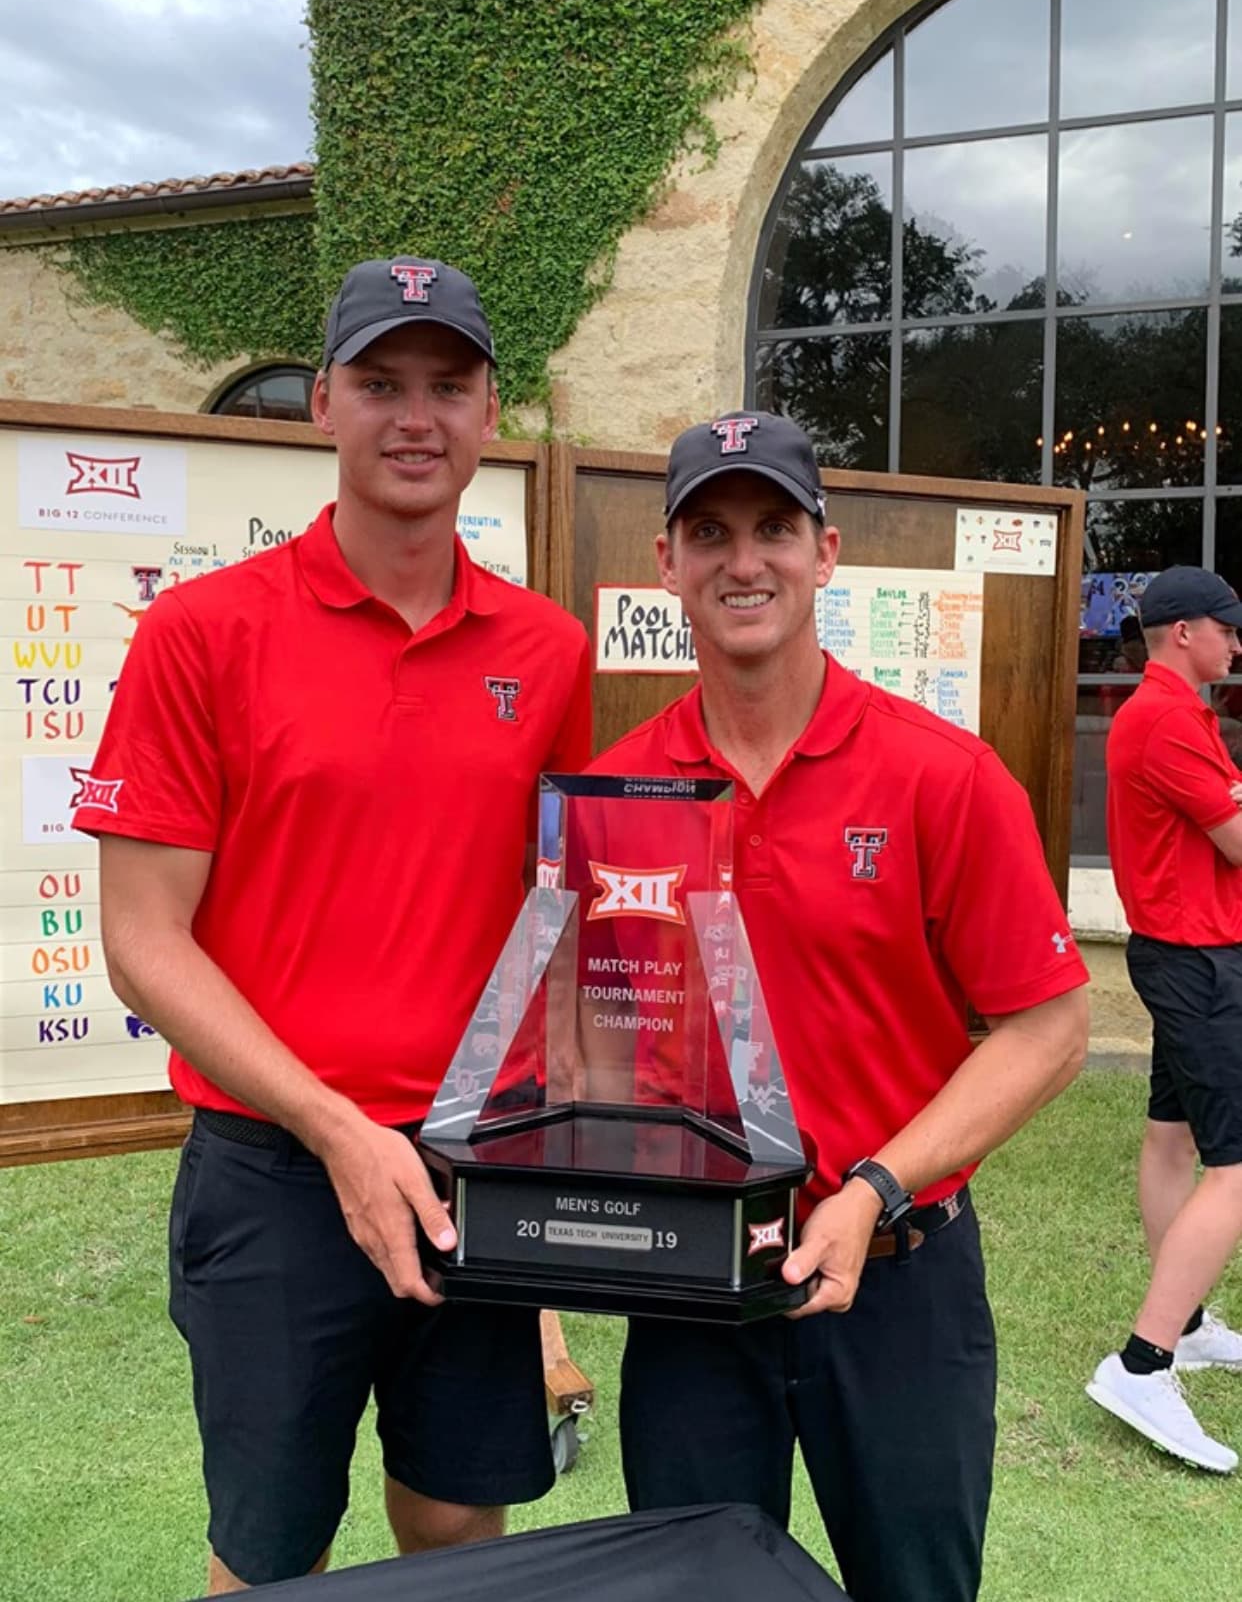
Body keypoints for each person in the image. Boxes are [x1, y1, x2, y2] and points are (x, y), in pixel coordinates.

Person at [72, 256, 593, 1591]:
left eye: (448, 386)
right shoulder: (200, 635)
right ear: (321, 404)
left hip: (477, 1172)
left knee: (456, 1529)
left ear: (491, 415)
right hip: (274, 1176)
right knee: (268, 1552)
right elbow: (143, 937)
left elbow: (569, 912)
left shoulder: (547, 654)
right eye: (379, 384)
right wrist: (337, 1129)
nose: (414, 416)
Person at [589, 411, 1090, 1602]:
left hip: (900, 1277)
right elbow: (599, 1038)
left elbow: (1052, 1027)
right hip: (698, 1280)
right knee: (695, 1584)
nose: (742, 560)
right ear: (667, 564)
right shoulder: (623, 789)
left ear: (828, 550)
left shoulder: (939, 773)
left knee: (915, 1585)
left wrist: (874, 1190)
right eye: (709, 531)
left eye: (774, 526)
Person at [1086, 565, 1242, 1474]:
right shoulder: (1168, 719)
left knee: (1171, 1143)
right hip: (1200, 962)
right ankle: (1143, 1362)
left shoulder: (1170, 714)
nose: (1235, 645)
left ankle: (1182, 1324)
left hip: (1182, 953)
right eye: (1227, 630)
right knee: (1235, 1170)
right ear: (1184, 632)